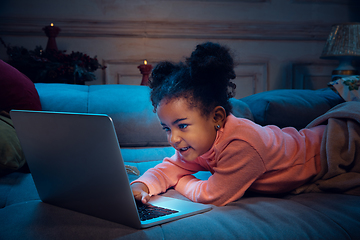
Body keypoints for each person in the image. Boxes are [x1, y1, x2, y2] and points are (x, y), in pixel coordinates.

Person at [130, 42, 360, 207]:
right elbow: (169, 167)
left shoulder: (241, 145)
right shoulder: (198, 143)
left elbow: (212, 195)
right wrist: (143, 186)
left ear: (217, 118)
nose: (174, 139)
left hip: (334, 146)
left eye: (182, 126)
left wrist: (181, 181)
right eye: (167, 128)